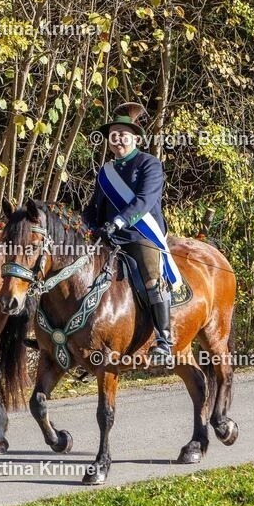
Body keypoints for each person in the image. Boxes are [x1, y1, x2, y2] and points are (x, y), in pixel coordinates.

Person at [83, 102, 181, 362]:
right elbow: (94, 207)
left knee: (151, 276)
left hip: (140, 236)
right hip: (109, 239)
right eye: (112, 135)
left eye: (122, 135)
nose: (117, 140)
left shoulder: (150, 164)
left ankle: (164, 340)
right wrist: (89, 225)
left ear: (135, 137)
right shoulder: (106, 172)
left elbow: (144, 201)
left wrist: (117, 222)